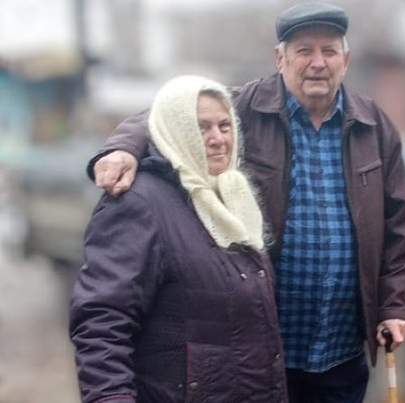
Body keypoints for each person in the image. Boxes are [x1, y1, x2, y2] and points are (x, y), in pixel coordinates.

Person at [88, 2, 405, 402]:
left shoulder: (374, 126)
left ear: (345, 60)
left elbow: (399, 224)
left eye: (329, 51)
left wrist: (395, 305)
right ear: (280, 59)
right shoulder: (245, 107)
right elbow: (172, 113)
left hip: (341, 351)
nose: (318, 62)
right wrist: (124, 148)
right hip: (263, 352)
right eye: (303, 51)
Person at [70, 76, 287, 403]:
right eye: (202, 128)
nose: (218, 139)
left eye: (225, 126)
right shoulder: (139, 203)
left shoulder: (233, 198)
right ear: (173, 131)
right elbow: (102, 323)